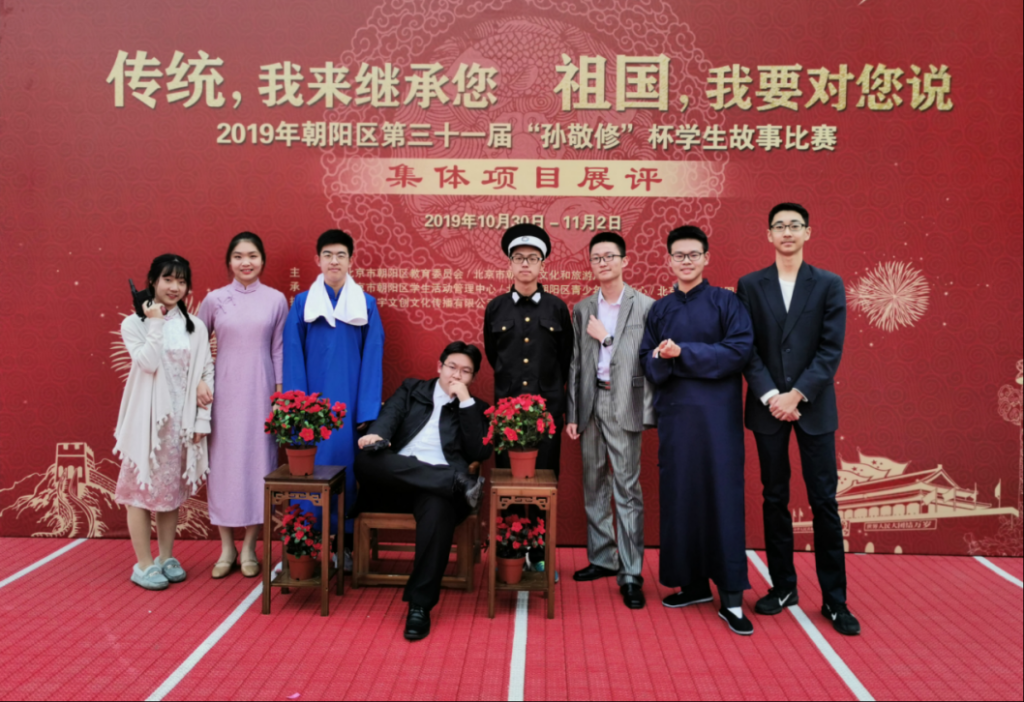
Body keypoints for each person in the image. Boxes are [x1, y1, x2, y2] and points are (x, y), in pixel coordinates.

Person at [737, 203, 860, 636]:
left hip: (813, 405)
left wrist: (797, 394)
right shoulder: (750, 285)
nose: (787, 232)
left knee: (824, 501)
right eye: (779, 226)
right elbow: (747, 346)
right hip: (768, 406)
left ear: (808, 232)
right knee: (774, 498)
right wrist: (773, 396)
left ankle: (835, 600)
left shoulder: (828, 283)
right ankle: (783, 587)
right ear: (769, 235)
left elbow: (830, 349)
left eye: (794, 225)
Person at [640, 226, 756, 636]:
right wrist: (661, 356)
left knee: (722, 499)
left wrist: (682, 352)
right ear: (668, 260)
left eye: (693, 254)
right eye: (679, 255)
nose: (686, 261)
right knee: (680, 499)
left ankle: (731, 598)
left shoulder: (727, 302)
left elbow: (739, 350)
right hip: (676, 420)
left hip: (718, 421)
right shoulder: (660, 309)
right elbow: (646, 358)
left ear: (706, 257)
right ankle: (691, 585)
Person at [353, 342, 491, 642]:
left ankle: (419, 605)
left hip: (435, 495)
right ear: (439, 366)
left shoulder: (476, 408)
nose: (457, 375)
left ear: (472, 377)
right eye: (452, 367)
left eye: (466, 371)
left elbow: (479, 451)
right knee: (366, 459)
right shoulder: (412, 389)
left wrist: (465, 402)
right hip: (396, 484)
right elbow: (389, 416)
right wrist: (377, 434)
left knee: (439, 508)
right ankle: (454, 481)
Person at [283, 229, 385, 568]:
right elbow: (293, 357)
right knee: (310, 476)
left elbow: (373, 356)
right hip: (312, 411)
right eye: (327, 254)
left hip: (350, 408)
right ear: (318, 260)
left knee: (348, 474)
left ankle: (346, 546)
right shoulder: (302, 303)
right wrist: (298, 410)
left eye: (341, 255)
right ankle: (305, 547)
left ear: (351, 260)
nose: (334, 261)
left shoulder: (366, 304)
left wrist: (366, 411)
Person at [566, 232, 655, 610]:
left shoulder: (646, 306)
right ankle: (603, 557)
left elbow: (648, 358)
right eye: (596, 258)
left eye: (609, 256)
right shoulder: (583, 308)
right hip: (591, 403)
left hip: (625, 403)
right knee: (593, 482)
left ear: (624, 260)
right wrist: (573, 412)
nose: (603, 263)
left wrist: (607, 339)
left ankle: (631, 572)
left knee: (627, 488)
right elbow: (575, 363)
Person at [114, 254, 214, 591]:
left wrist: (201, 419)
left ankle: (166, 557)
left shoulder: (195, 326)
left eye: (181, 281)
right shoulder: (134, 324)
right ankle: (143, 564)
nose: (175, 287)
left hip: (179, 425)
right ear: (152, 282)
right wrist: (154, 322)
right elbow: (147, 363)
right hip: (147, 422)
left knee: (169, 494)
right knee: (140, 493)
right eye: (168, 280)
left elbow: (206, 372)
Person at [197, 232, 288, 580]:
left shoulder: (276, 300)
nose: (245, 262)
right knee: (223, 467)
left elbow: (279, 349)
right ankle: (226, 548)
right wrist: (200, 382)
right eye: (238, 256)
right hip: (222, 395)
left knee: (257, 465)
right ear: (229, 261)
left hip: (261, 393)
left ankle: (250, 547)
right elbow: (196, 345)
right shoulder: (214, 299)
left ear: (262, 260)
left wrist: (279, 398)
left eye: (252, 255)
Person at [483, 224, 573, 572]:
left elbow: (566, 360)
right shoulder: (495, 308)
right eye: (518, 258)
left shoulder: (557, 308)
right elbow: (494, 355)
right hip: (507, 415)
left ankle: (539, 553)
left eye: (532, 258)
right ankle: (509, 549)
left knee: (544, 483)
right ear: (509, 264)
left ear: (542, 265)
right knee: (507, 482)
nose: (525, 264)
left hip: (545, 413)